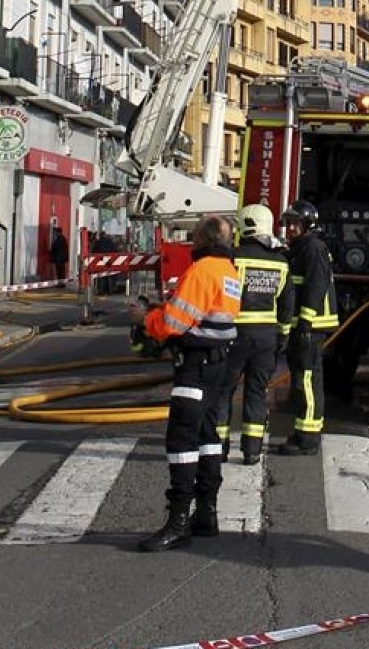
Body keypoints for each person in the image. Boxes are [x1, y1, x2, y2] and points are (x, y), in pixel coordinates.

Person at [129, 214, 240, 551]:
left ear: (205, 240)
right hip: (217, 365)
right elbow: (204, 313)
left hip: (195, 366)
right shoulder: (229, 272)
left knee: (182, 440)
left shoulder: (202, 270)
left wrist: (145, 318)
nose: (191, 242)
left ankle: (178, 522)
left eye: (194, 237)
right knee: (208, 437)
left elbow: (173, 324)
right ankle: (206, 512)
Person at [216, 203, 292, 464]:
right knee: (256, 392)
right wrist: (282, 336)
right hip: (266, 338)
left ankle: (219, 447)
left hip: (234, 334)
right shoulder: (281, 262)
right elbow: (286, 304)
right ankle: (252, 451)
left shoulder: (232, 257)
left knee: (224, 390)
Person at [277, 198, 338, 456]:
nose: (290, 228)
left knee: (307, 381)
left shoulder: (313, 248)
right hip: (306, 326)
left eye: (295, 224)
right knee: (304, 379)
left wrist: (304, 323)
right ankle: (304, 431)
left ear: (307, 224)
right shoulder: (302, 248)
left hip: (311, 327)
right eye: (289, 223)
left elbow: (315, 286)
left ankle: (309, 438)